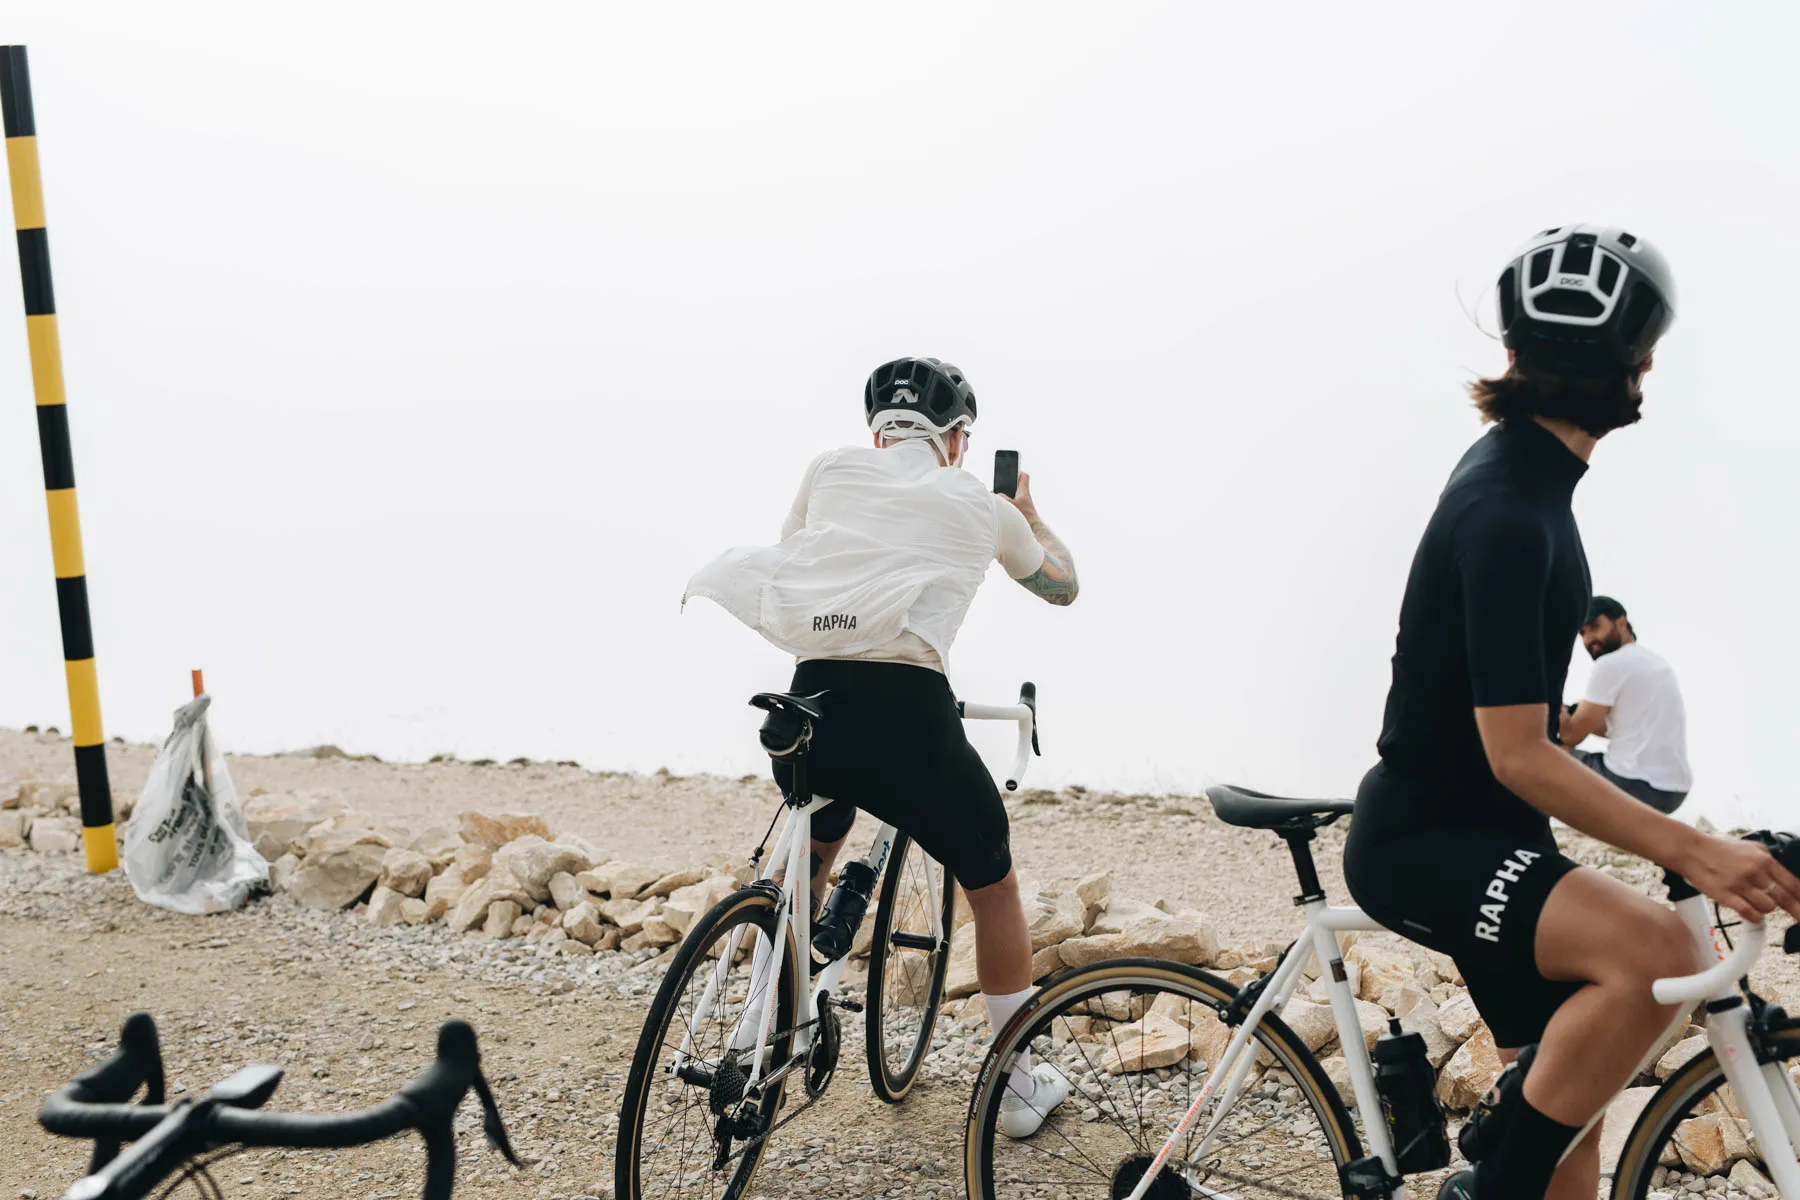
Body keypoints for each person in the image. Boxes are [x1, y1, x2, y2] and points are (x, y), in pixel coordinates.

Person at [1339, 226, 1800, 1200]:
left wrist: (1689, 840)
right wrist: (1691, 850)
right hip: (1429, 842)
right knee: (1667, 949)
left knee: (1572, 1154)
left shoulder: (1527, 481)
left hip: (1489, 836)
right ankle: (1493, 1165)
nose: (1648, 372)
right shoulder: (1511, 513)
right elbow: (1518, 754)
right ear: (1618, 365)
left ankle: (1513, 1152)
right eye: (1643, 353)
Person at [684, 356, 1080, 1138]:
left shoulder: (831, 470)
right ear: (958, 439)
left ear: (877, 431)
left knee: (810, 846)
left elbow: (807, 560)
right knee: (991, 883)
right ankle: (1017, 1088)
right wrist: (1026, 516)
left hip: (812, 697)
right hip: (907, 712)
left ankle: (760, 1010)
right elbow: (1062, 586)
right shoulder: (979, 503)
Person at [1560, 595, 1692, 812]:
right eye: (1582, 633)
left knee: (1548, 750)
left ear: (1621, 622)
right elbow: (1626, 729)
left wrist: (1561, 712)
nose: (1588, 639)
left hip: (1629, 785)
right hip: (1673, 792)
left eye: (1594, 627)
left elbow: (1571, 735)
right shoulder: (1656, 663)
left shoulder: (1609, 664)